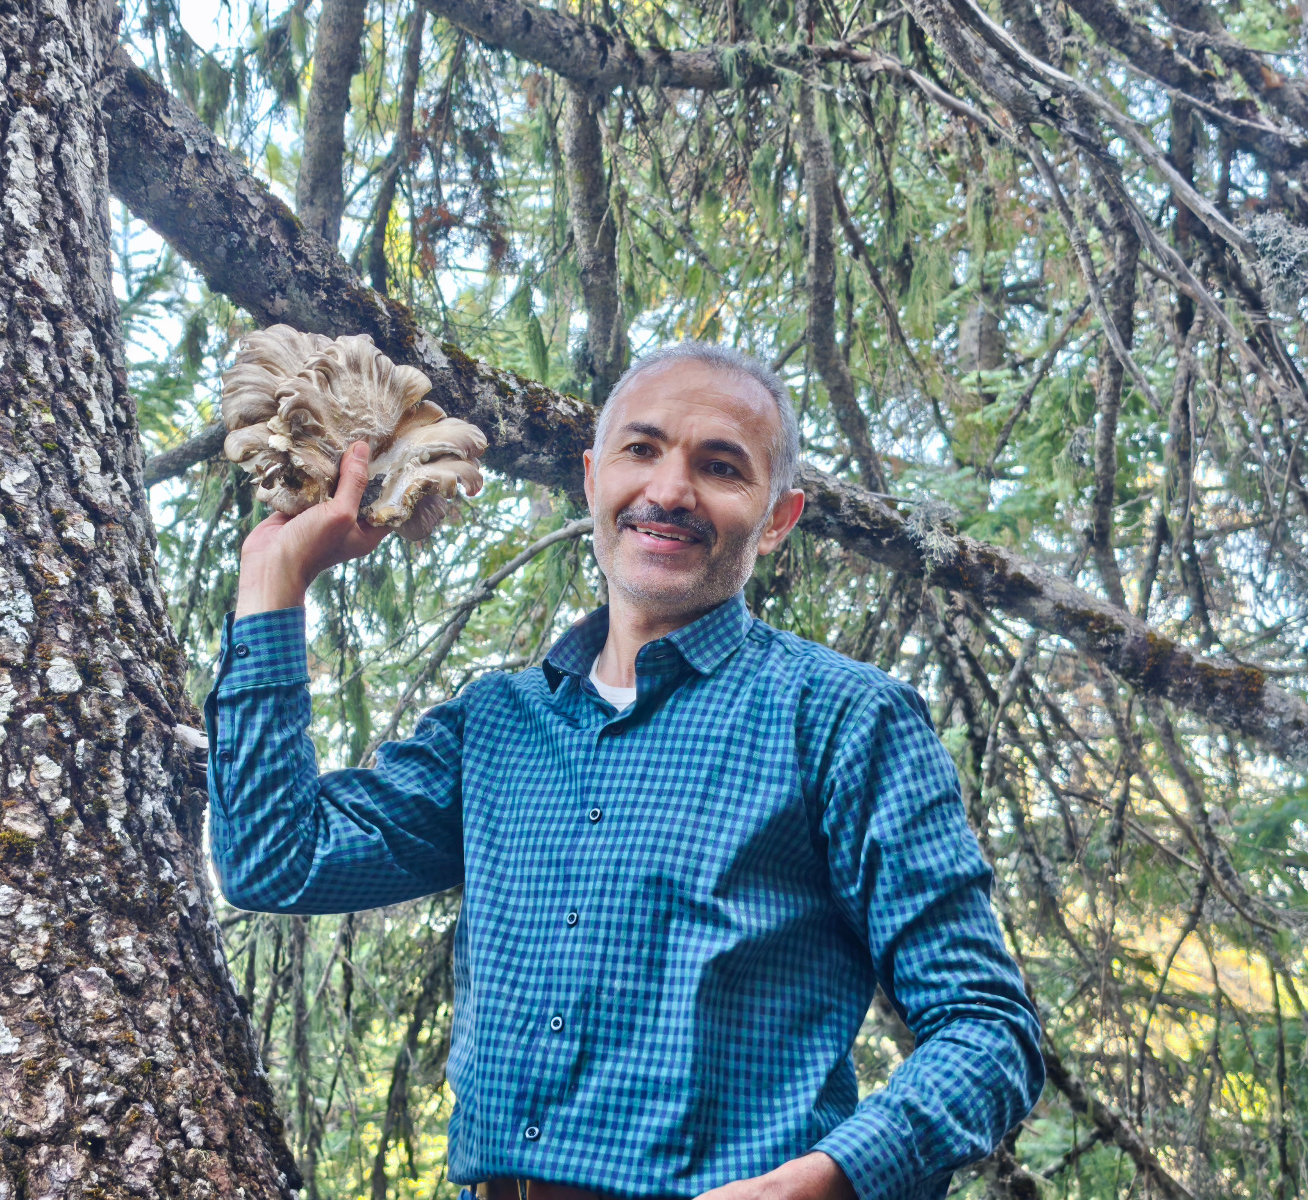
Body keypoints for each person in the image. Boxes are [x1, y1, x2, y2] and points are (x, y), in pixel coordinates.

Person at [204, 342, 1044, 1200]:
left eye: (720, 467)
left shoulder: (844, 720)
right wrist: (273, 578)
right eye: (641, 450)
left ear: (777, 518)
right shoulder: (494, 725)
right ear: (592, 478)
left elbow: (988, 1030)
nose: (670, 491)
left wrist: (821, 1182)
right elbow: (276, 859)